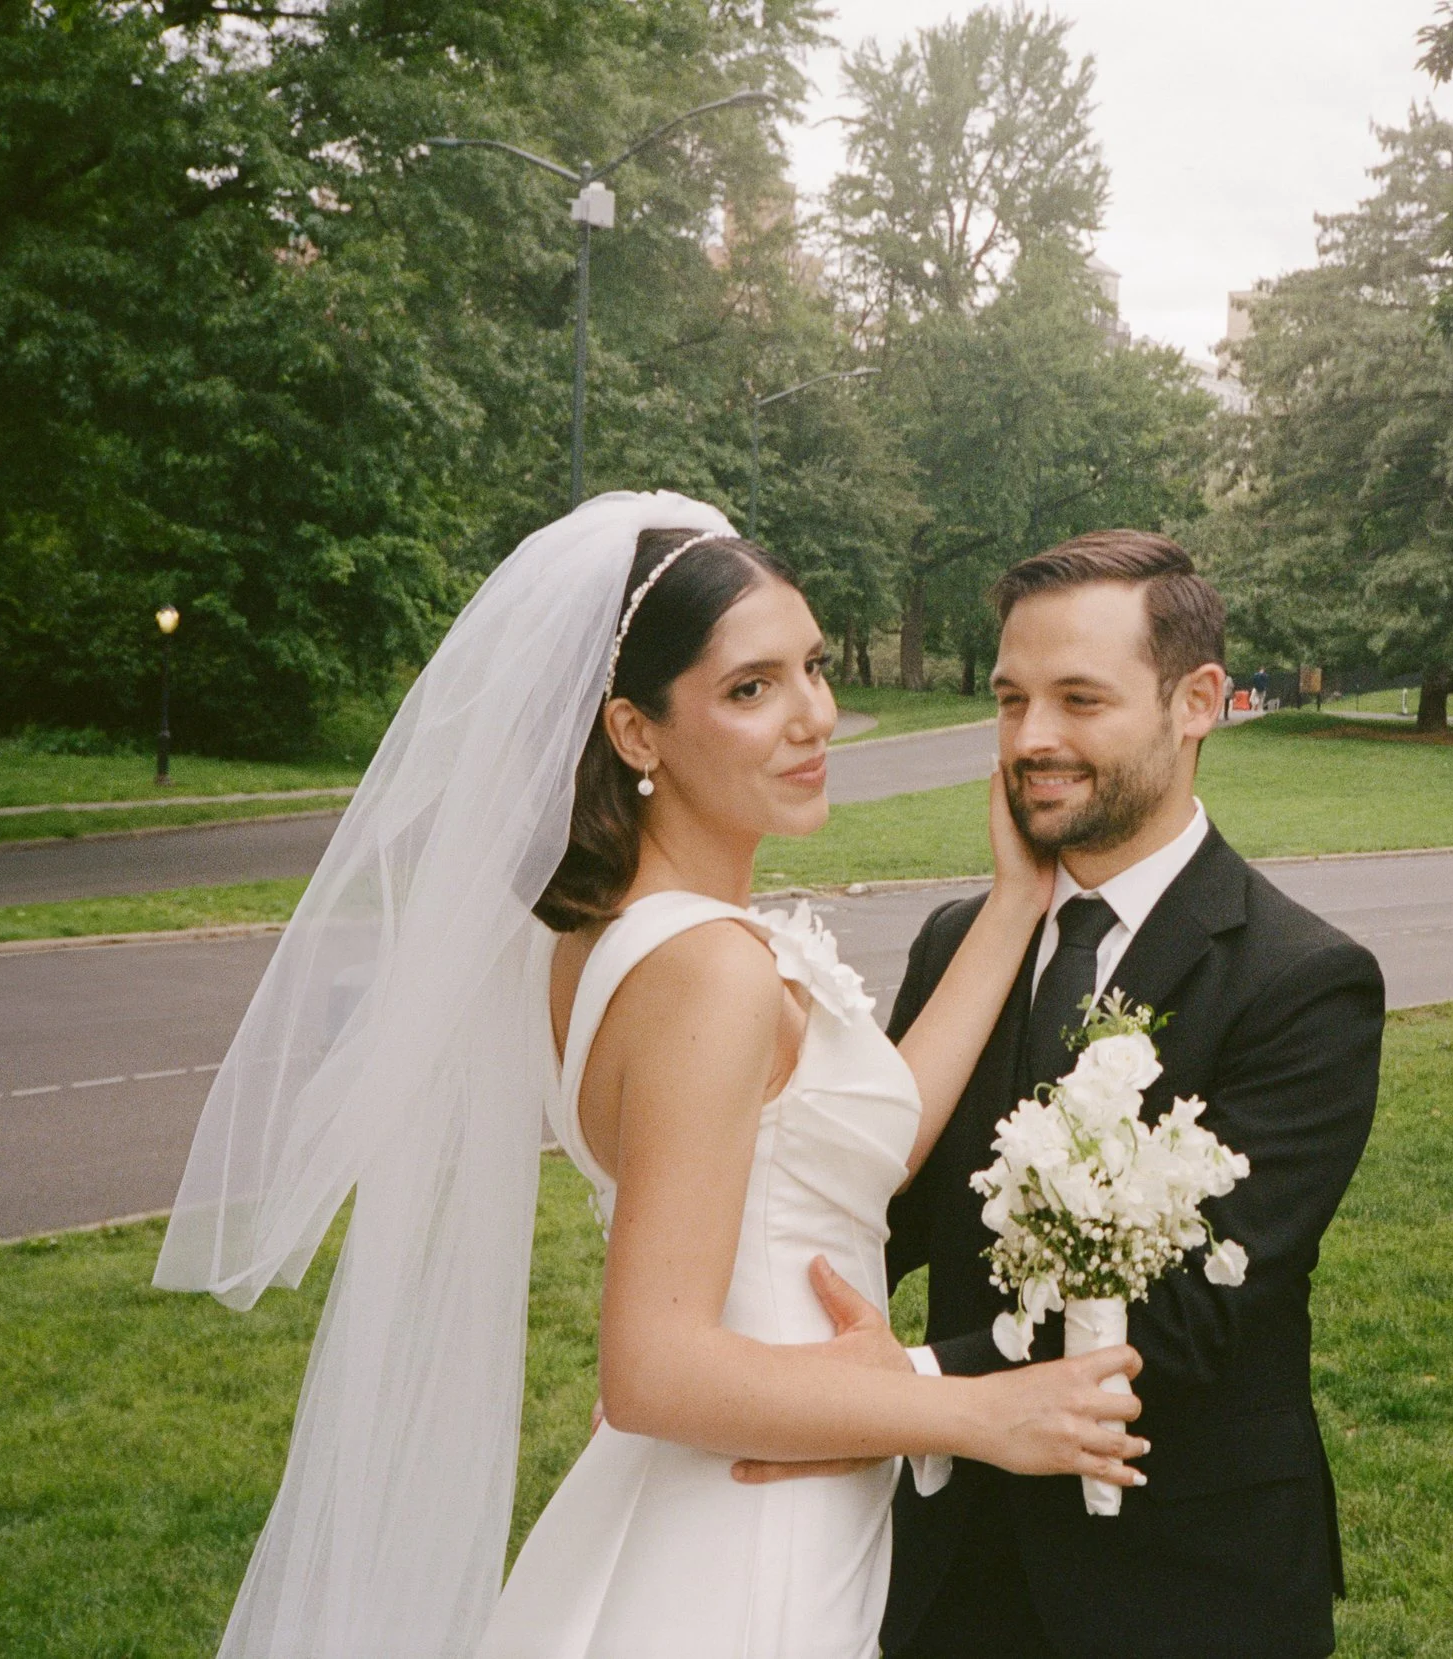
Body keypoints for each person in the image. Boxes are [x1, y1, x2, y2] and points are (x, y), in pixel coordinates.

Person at [156, 492, 1146, 1659]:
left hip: (739, 1500)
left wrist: (1014, 904)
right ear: (635, 732)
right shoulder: (708, 973)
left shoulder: (625, 935)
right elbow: (653, 1365)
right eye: (749, 689)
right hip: (743, 1536)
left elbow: (857, 1150)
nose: (812, 717)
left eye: (813, 669)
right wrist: (977, 1410)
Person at [737, 531, 1386, 1659]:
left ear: (1197, 702)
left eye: (1079, 700)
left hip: (1180, 1580)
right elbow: (874, 1208)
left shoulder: (1299, 980)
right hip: (943, 1570)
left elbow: (1196, 1310)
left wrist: (908, 1388)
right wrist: (738, 1354)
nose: (1032, 740)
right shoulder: (960, 942)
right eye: (1009, 699)